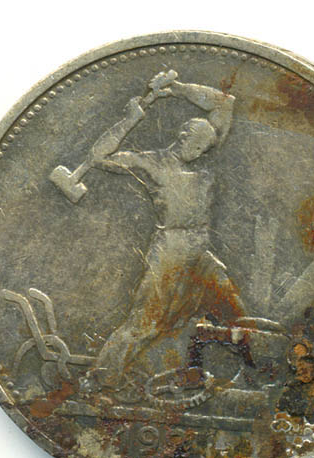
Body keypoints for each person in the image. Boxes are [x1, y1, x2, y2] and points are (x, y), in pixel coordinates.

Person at [81, 70, 249, 392]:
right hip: (171, 248)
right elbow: (98, 156)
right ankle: (100, 380)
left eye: (204, 147)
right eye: (196, 145)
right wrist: (130, 120)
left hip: (200, 249)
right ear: (183, 138)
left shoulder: (205, 158)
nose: (200, 152)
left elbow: (225, 103)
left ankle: (255, 376)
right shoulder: (153, 163)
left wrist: (177, 89)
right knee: (145, 322)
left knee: (234, 307)